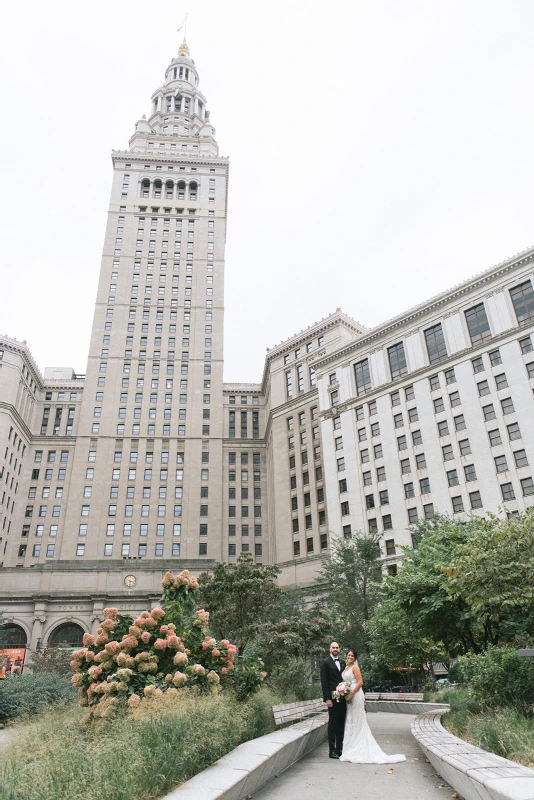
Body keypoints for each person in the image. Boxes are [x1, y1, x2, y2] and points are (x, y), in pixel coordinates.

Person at [339, 649, 406, 764]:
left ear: (355, 658)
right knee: (351, 718)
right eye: (348, 655)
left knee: (358, 718)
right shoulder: (345, 668)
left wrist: (351, 694)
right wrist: (342, 690)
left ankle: (360, 744)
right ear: (346, 656)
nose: (350, 657)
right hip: (348, 696)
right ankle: (351, 746)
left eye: (352, 656)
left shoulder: (355, 668)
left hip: (356, 695)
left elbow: (360, 682)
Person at [320, 641, 346, 759]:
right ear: (330, 649)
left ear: (339, 649)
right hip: (332, 698)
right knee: (333, 724)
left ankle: (340, 748)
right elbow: (324, 682)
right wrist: (327, 699)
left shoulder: (342, 662)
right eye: (333, 647)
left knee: (341, 724)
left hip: (343, 698)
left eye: (337, 647)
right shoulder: (325, 662)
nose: (335, 649)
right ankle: (332, 751)